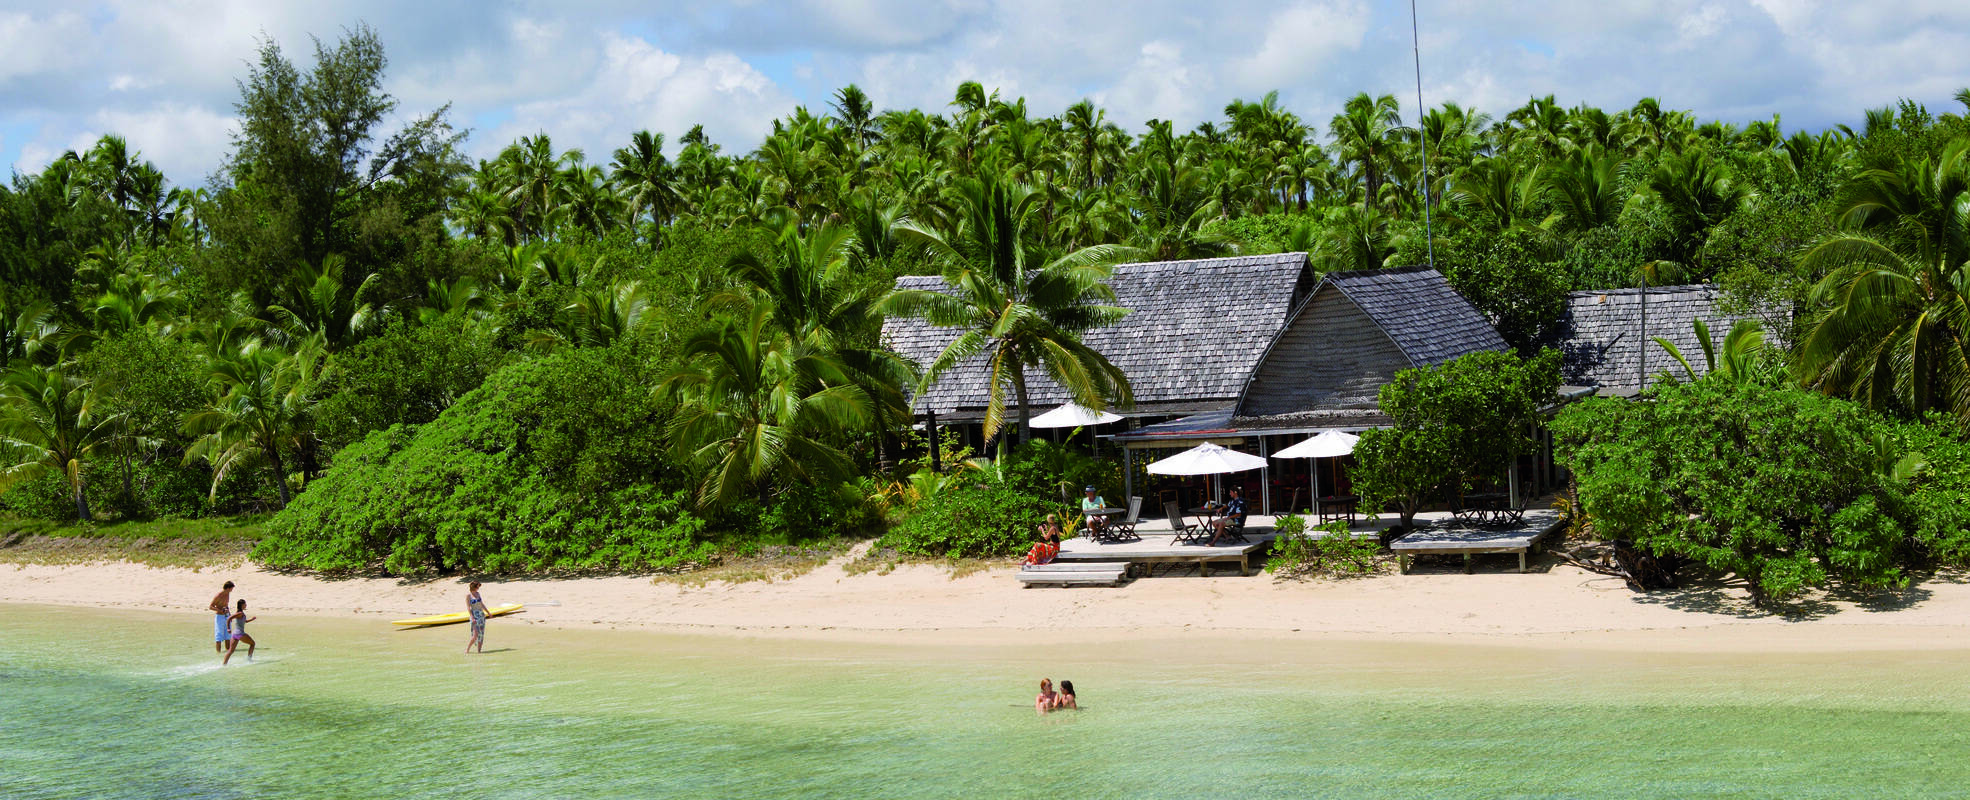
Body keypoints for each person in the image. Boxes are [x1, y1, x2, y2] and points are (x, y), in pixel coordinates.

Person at [221, 599, 255, 665]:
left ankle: (224, 664)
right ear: (242, 605)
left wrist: (252, 619)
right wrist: (228, 628)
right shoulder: (240, 613)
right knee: (252, 644)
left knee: (231, 650)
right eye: (245, 604)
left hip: (234, 634)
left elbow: (245, 621)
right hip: (240, 634)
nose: (246, 605)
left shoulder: (240, 613)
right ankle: (249, 659)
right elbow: (229, 618)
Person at [208, 581, 234, 654]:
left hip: (227, 616)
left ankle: (228, 652)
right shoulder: (219, 595)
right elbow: (210, 606)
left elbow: (226, 605)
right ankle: (218, 653)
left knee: (228, 635)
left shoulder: (228, 594)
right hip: (219, 617)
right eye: (231, 588)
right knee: (219, 636)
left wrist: (230, 615)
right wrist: (220, 610)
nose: (232, 590)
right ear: (228, 588)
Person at [466, 582, 488, 654]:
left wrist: (488, 612)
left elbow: (481, 604)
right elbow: (468, 608)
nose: (478, 588)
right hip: (474, 615)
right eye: (477, 587)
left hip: (481, 615)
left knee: (481, 634)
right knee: (475, 635)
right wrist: (472, 617)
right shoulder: (468, 596)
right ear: (473, 587)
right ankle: (467, 650)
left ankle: (479, 652)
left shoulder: (478, 594)